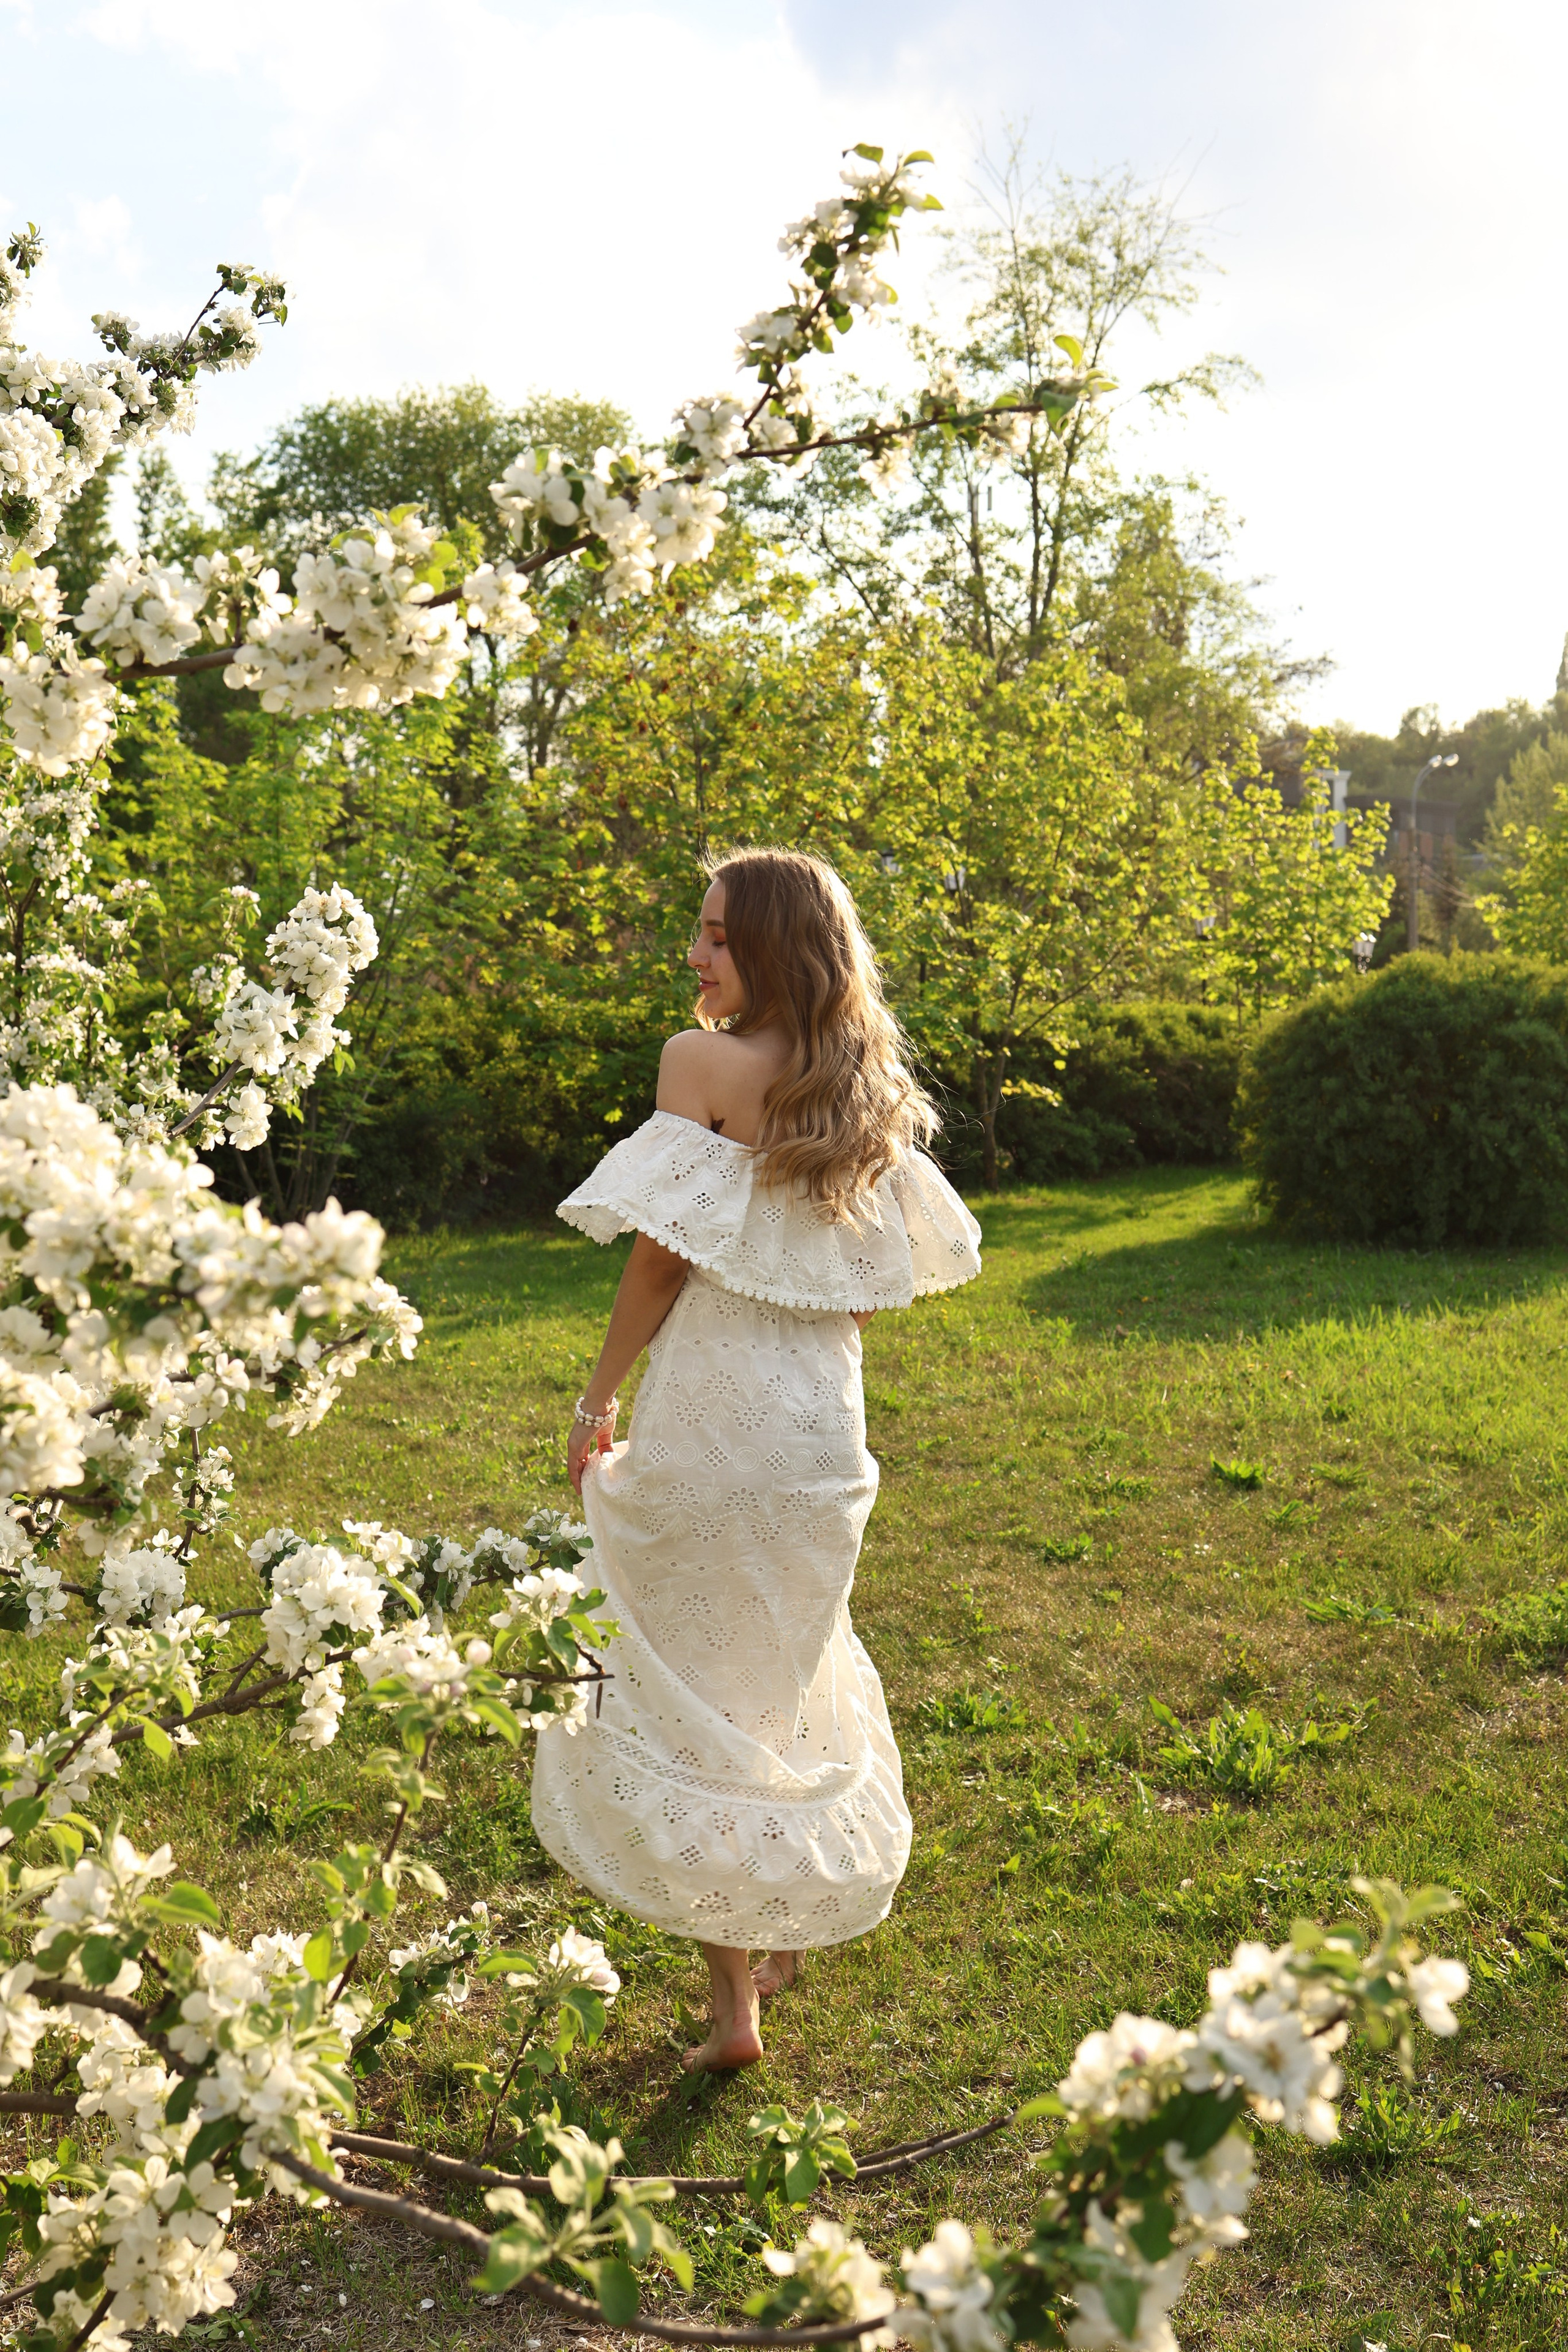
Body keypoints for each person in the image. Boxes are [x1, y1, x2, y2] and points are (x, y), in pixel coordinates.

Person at [532, 847, 982, 2070]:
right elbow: (867, 1291)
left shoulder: (700, 1063)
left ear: (777, 947)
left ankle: (733, 2008)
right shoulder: (862, 1087)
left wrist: (597, 1395)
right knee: (777, 1674)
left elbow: (660, 1258)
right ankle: (780, 1932)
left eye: (719, 936)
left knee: (693, 1688)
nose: (695, 955)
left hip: (715, 1417)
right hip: (823, 1435)